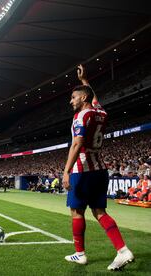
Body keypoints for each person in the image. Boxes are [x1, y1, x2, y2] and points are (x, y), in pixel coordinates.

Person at [62, 65, 134, 270]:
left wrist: (66, 170)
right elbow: (93, 98)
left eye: (73, 98)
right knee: (99, 211)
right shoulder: (101, 112)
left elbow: (77, 143)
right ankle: (122, 250)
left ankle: (80, 254)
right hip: (100, 169)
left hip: (82, 169)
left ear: (82, 99)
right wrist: (85, 80)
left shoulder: (81, 116)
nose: (71, 101)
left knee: (77, 211)